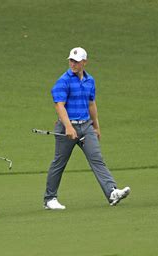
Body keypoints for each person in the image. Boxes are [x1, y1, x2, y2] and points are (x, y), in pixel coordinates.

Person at [43, 47, 131, 210]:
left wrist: (96, 126)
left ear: (84, 62)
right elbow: (59, 105)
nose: (73, 64)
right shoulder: (63, 80)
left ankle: (111, 192)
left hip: (86, 126)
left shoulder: (90, 81)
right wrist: (68, 127)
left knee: (97, 158)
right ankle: (50, 199)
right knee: (59, 162)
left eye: (76, 61)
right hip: (66, 128)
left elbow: (91, 104)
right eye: (71, 60)